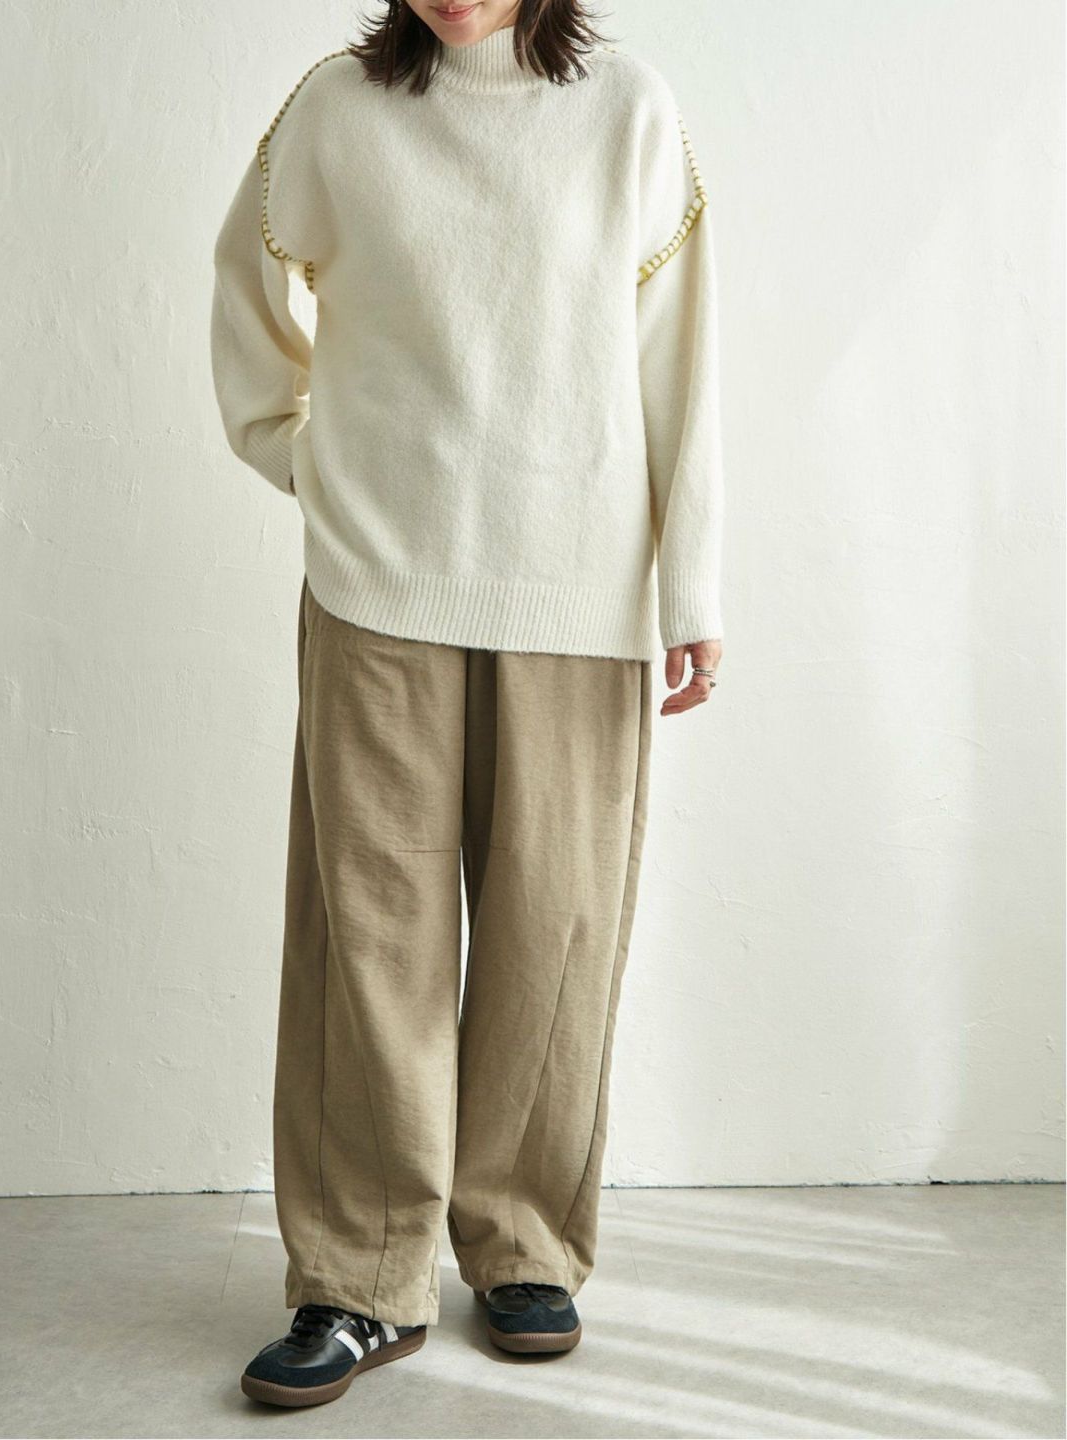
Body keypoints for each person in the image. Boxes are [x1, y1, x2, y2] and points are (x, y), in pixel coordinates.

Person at [209, 0, 724, 1409]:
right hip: (377, 585)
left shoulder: (627, 111)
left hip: (578, 593)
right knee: (366, 939)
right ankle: (356, 1277)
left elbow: (680, 356)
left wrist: (694, 588)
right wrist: (301, 455)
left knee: (557, 929)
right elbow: (248, 287)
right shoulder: (339, 109)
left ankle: (521, 1244)